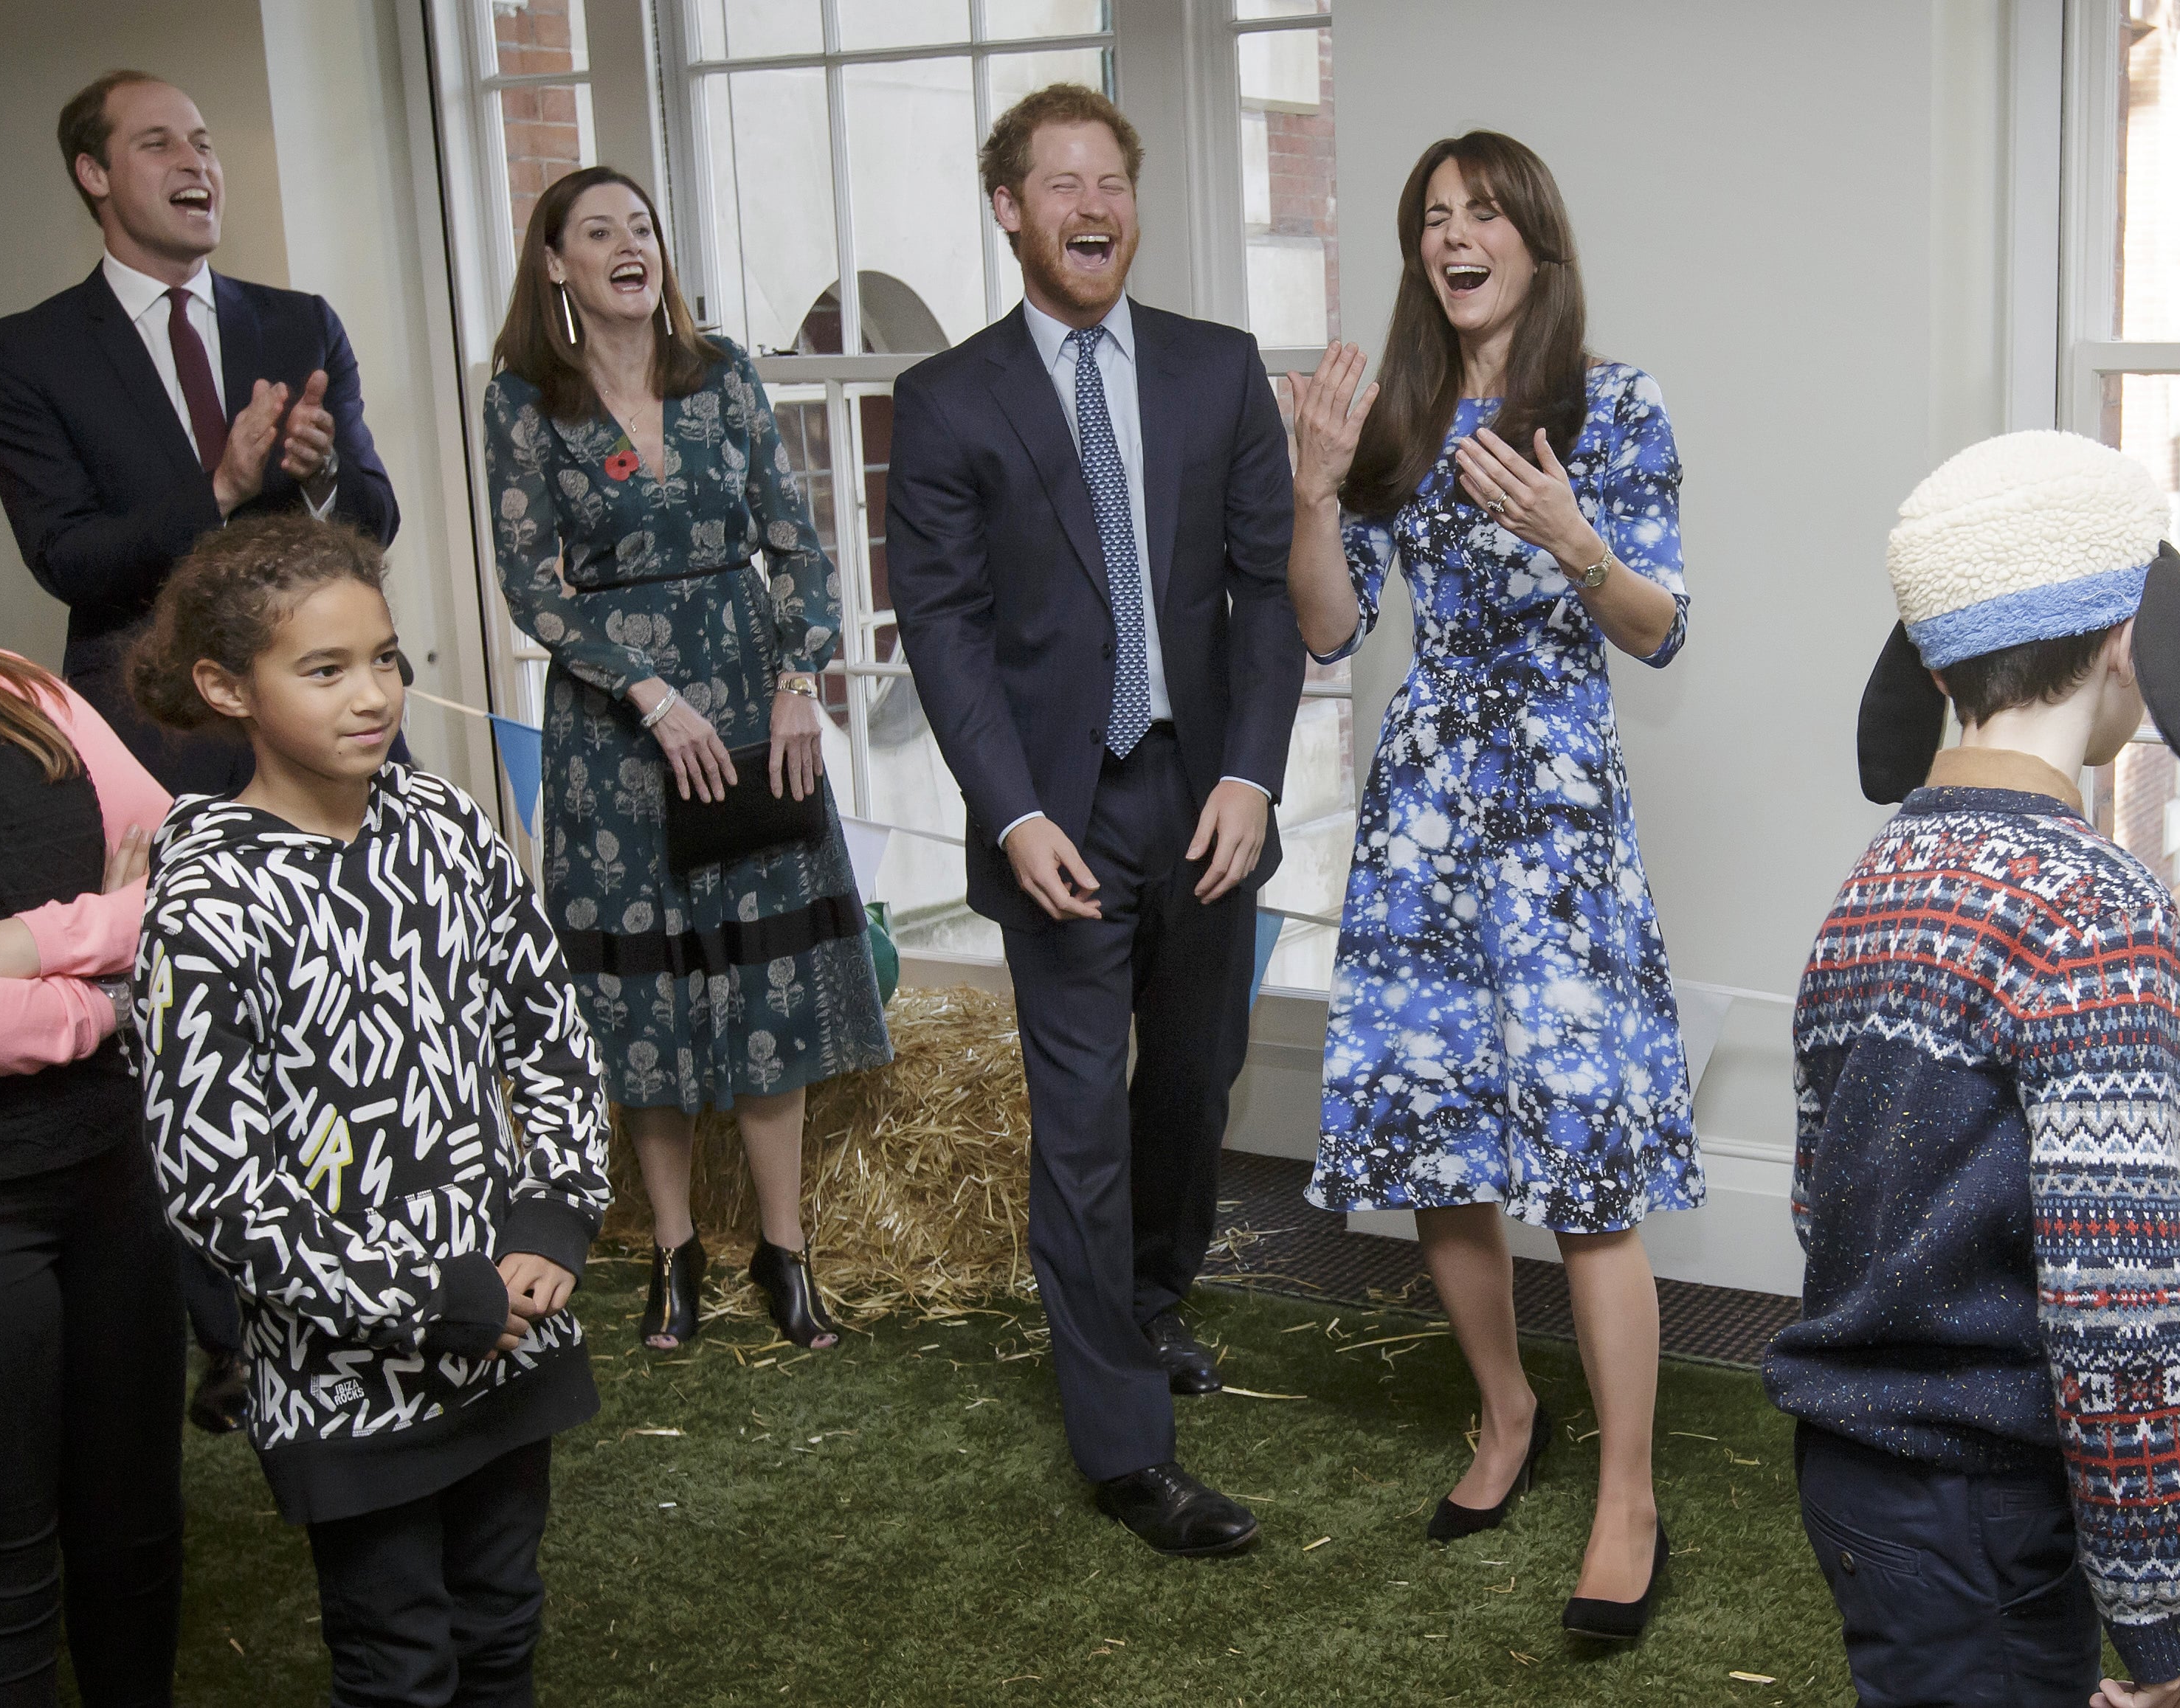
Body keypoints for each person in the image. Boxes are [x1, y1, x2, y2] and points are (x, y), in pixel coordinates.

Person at [1289, 131, 1699, 1640]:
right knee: (1437, 1141)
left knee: (1586, 1168)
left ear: (1534, 237)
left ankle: (1626, 1497)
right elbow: (1331, 632)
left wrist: (1575, 539)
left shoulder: (1615, 403)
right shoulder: (1400, 417)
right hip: (1424, 815)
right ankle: (1507, 1412)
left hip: (1560, 818)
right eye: (1430, 219)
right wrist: (1314, 492)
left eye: (1480, 212)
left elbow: (1659, 629)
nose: (1452, 235)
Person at [1768, 430, 2180, 1708]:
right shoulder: (2095, 908)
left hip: (1857, 1473)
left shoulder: (1871, 883)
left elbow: (1822, 1195)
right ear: (2125, 642)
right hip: (1983, 1500)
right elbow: (2116, 1298)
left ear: (1933, 656)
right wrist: (2157, 1612)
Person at [885, 84, 1300, 1556]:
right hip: (1051, 817)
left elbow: (1263, 598)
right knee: (1078, 1123)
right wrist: (1005, 813)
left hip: (1202, 802)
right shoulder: (945, 399)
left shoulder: (1216, 369)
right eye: (1061, 180)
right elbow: (938, 625)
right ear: (1010, 207)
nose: (1092, 203)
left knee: (1190, 1086)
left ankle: (1151, 1300)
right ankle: (1126, 1450)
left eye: (1112, 178)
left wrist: (1251, 777)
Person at [0, 67, 401, 1434]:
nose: (194, 160)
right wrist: (216, 487)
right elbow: (70, 558)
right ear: (96, 176)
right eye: (158, 142)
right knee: (179, 1025)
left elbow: (374, 512)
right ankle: (223, 1325)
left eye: (204, 140)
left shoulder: (295, 321)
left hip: (304, 725)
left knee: (328, 998)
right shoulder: (26, 350)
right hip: (138, 737)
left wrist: (322, 474)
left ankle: (356, 1267)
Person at [128, 514, 611, 1707]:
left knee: (504, 1624)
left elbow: (547, 1029)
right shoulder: (203, 898)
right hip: (350, 1381)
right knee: (402, 1666)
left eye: (386, 659)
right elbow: (215, 1185)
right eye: (326, 668)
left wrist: (551, 1211)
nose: (373, 695)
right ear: (224, 687)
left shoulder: (443, 827)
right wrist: (434, 1297)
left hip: (512, 1331)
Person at [483, 165, 889, 1356]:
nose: (629, 245)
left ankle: (787, 1251)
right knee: (645, 997)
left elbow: (797, 544)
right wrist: (649, 692)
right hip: (616, 736)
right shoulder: (524, 403)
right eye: (597, 231)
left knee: (765, 979)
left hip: (754, 709)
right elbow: (528, 588)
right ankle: (674, 1252)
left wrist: (799, 681)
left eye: (643, 227)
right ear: (555, 265)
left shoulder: (725, 379)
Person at [0, 489, 182, 1707]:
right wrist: (102, 994)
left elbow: (182, 875)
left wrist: (31, 938)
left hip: (112, 1177)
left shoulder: (31, 699)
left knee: (135, 1538)